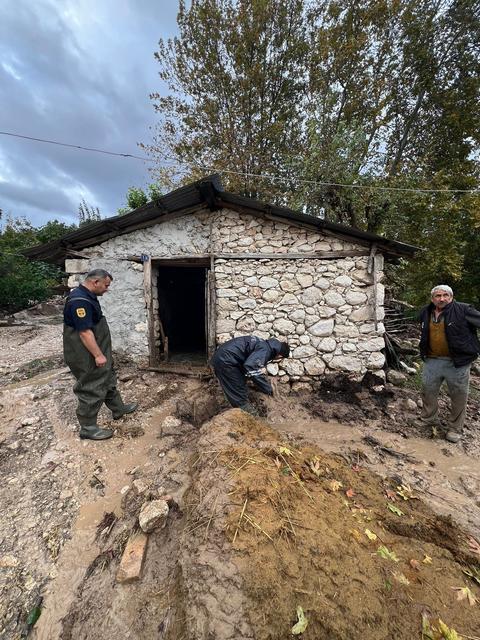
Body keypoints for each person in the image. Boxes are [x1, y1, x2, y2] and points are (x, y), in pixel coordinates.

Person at [63, 269, 137, 440]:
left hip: (97, 348)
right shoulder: (79, 301)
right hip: (86, 353)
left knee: (107, 377)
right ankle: (88, 427)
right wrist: (98, 355)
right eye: (106, 285)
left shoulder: (88, 296)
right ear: (95, 282)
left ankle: (118, 409)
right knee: (92, 385)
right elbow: (84, 333)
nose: (107, 289)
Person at [418, 285, 480, 443]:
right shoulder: (426, 311)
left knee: (458, 395)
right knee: (428, 390)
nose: (442, 299)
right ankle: (428, 419)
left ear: (451, 297)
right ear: (433, 298)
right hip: (432, 359)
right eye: (438, 296)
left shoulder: (464, 310)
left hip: (457, 362)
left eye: (445, 295)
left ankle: (455, 428)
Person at [211, 335, 290, 415]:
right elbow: (251, 367)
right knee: (238, 392)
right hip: (226, 361)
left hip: (226, 357)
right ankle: (250, 416)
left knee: (241, 383)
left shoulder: (264, 344)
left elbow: (250, 364)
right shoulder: (265, 350)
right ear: (280, 355)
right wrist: (268, 389)